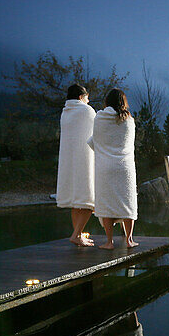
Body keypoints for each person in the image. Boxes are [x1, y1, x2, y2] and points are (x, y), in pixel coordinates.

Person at [88, 88, 138, 249]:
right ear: (123, 102)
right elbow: (129, 144)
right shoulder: (129, 120)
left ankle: (109, 242)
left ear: (107, 101)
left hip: (105, 167)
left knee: (106, 202)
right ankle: (129, 240)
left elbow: (96, 141)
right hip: (125, 167)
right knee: (127, 202)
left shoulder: (99, 118)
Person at [55, 84, 96, 246]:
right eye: (87, 97)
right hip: (85, 160)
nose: (89, 100)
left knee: (76, 200)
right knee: (88, 200)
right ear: (81, 97)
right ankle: (76, 234)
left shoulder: (65, 113)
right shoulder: (87, 111)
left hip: (69, 162)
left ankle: (77, 235)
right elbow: (97, 132)